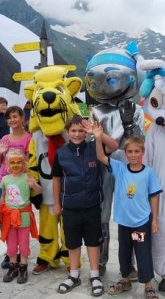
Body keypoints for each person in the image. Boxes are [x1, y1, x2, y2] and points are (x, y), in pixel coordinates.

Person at [51, 115, 118, 296]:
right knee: (72, 243)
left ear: (86, 132)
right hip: (70, 206)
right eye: (73, 130)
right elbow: (56, 179)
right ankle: (74, 275)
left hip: (92, 205)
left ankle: (95, 275)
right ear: (67, 132)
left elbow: (114, 146)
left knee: (93, 242)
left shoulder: (94, 148)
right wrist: (57, 204)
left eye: (81, 130)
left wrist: (99, 135)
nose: (77, 134)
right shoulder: (61, 153)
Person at [94, 129, 162, 299]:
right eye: (129, 151)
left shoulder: (149, 173)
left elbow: (154, 196)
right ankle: (125, 280)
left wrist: (154, 219)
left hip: (140, 223)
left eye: (136, 151)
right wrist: (98, 138)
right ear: (125, 153)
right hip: (124, 222)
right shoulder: (119, 168)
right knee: (124, 252)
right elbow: (101, 157)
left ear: (142, 152)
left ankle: (148, 285)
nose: (133, 155)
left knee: (142, 252)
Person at [0, 106, 33, 268]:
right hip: (2, 182)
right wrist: (0, 152)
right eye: (9, 117)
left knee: (20, 217)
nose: (12, 120)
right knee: (4, 217)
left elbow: (30, 162)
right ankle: (10, 252)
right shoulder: (5, 138)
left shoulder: (29, 138)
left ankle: (21, 252)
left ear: (22, 118)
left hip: (20, 185)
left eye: (15, 116)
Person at [0, 149, 41, 284]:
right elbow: (3, 197)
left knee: (23, 244)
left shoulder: (28, 177)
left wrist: (34, 185)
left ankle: (23, 267)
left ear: (23, 164)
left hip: (24, 215)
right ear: (7, 165)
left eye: (18, 162)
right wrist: (0, 212)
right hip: (9, 217)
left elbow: (40, 190)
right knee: (11, 244)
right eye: (12, 163)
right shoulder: (5, 179)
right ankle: (13, 267)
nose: (16, 165)